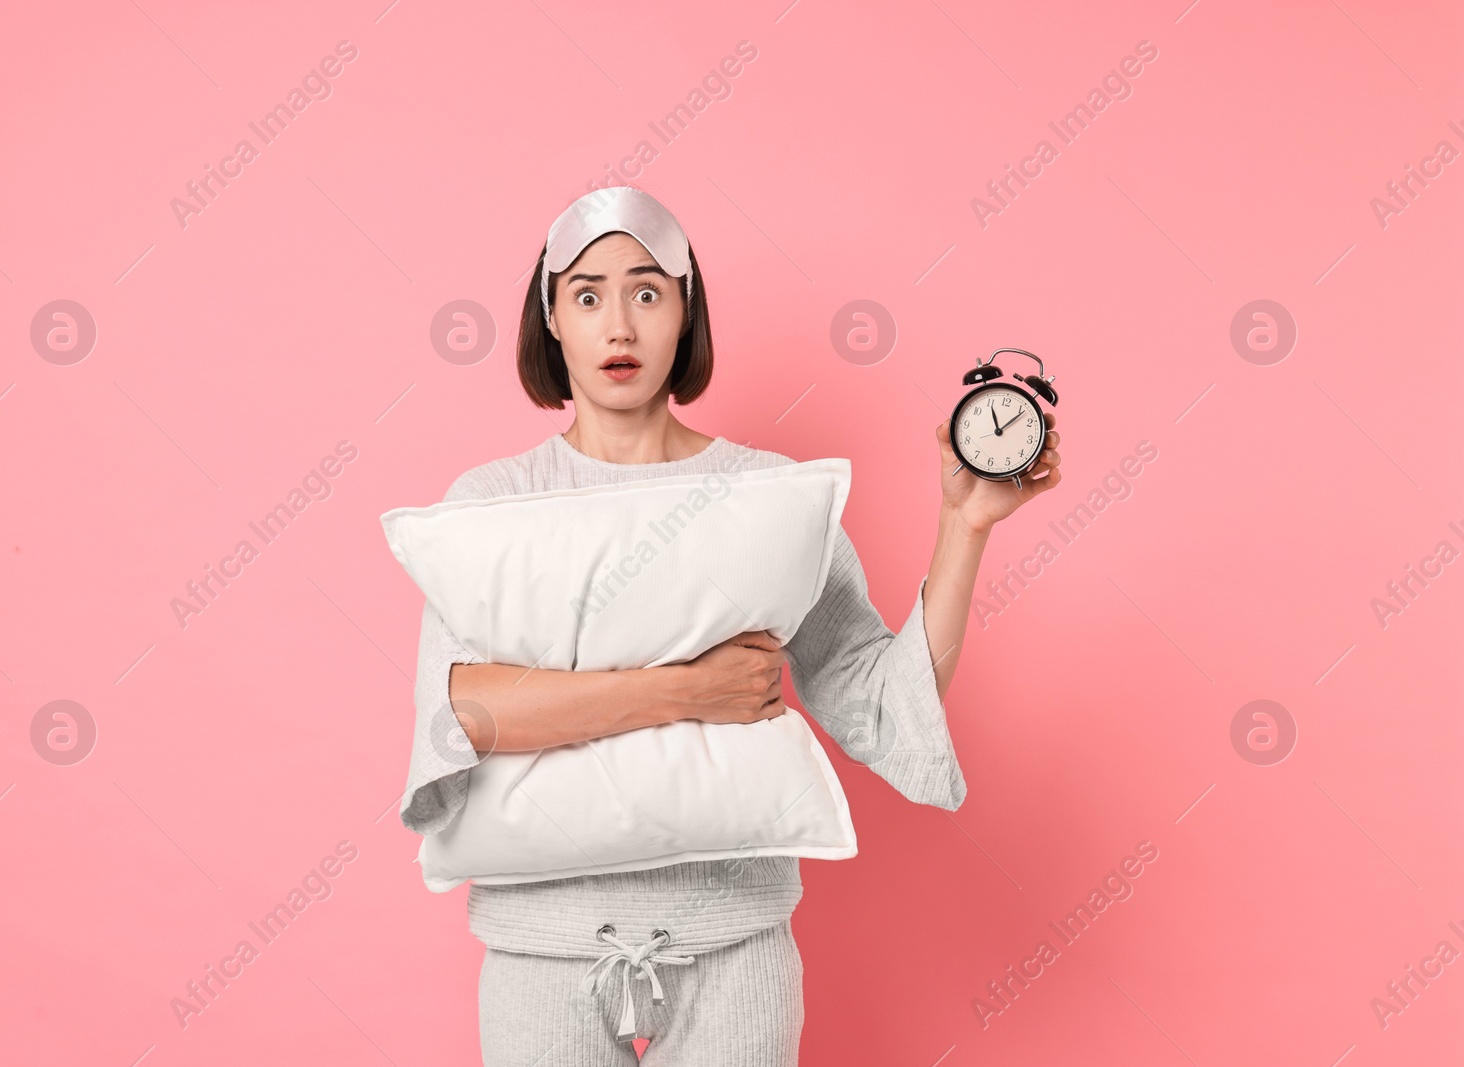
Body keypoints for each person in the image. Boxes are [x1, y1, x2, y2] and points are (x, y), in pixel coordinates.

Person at [397, 186, 1062, 1065]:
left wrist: (965, 526)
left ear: (686, 307)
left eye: (646, 291)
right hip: (539, 952)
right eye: (587, 295)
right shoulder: (490, 507)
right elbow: (468, 715)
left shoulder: (769, 499)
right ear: (551, 319)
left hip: (736, 946)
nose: (619, 327)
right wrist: (686, 690)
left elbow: (878, 698)